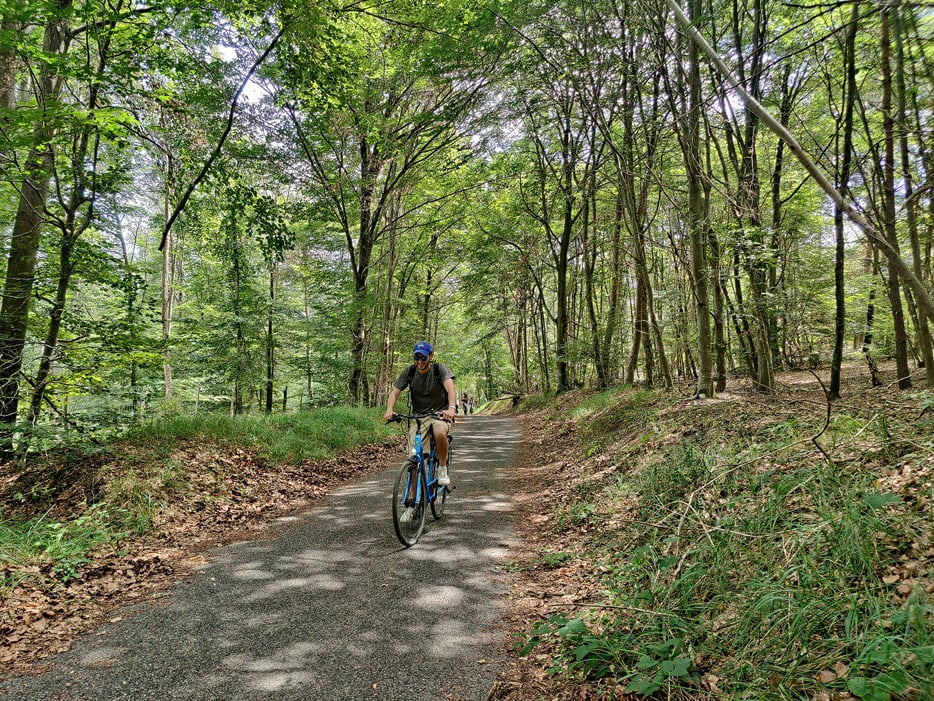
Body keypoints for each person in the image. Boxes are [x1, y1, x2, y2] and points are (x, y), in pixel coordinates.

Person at [384, 341, 457, 495]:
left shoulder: (439, 369)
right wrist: (389, 409)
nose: (419, 362)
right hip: (418, 417)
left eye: (423, 358)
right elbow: (395, 392)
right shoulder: (410, 371)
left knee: (439, 432)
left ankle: (442, 469)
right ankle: (413, 501)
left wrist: (451, 408)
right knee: (413, 458)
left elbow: (450, 387)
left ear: (431, 356)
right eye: (416, 358)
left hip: (439, 414)